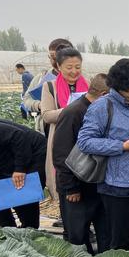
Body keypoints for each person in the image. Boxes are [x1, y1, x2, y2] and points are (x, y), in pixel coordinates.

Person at [77, 58, 129, 250]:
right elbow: (85, 141)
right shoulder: (103, 106)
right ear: (121, 83)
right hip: (118, 186)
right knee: (121, 240)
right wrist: (122, 146)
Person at [52, 74, 110, 253]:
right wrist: (71, 187)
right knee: (77, 235)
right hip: (77, 186)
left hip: (96, 183)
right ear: (104, 94)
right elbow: (61, 154)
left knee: (105, 232)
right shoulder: (73, 113)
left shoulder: (98, 110)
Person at [41, 47, 89, 203]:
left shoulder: (88, 83)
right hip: (62, 136)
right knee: (64, 172)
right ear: (59, 67)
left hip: (85, 134)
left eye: (78, 67)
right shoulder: (49, 87)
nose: (74, 71)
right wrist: (71, 110)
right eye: (69, 67)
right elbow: (47, 115)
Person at [0, 119, 46, 229]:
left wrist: (20, 168)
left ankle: (29, 229)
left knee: (22, 193)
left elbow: (19, 136)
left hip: (33, 153)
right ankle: (7, 229)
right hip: (4, 160)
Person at [23, 38, 73, 134]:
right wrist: (40, 105)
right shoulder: (41, 78)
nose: (55, 61)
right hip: (48, 129)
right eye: (52, 57)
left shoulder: (83, 80)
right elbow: (26, 99)